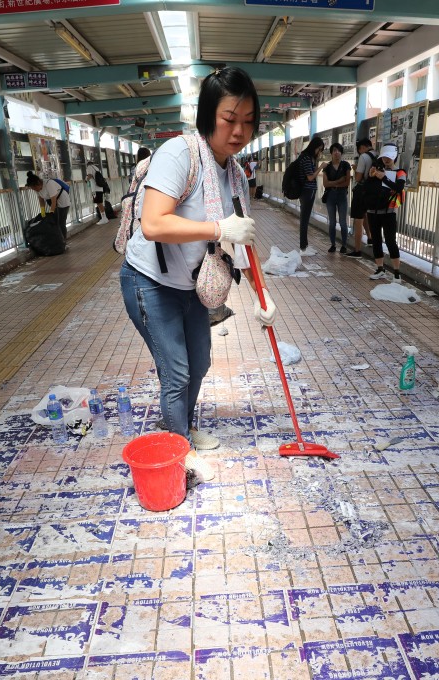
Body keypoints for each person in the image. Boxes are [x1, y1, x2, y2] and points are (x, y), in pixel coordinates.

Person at [121, 66, 276, 481]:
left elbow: (244, 236)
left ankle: (181, 428)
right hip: (149, 281)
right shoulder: (180, 154)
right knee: (176, 370)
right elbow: (154, 224)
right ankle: (177, 451)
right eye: (229, 119)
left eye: (248, 121)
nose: (239, 131)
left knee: (201, 361)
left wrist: (265, 298)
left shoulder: (236, 174)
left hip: (189, 285)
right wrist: (217, 229)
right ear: (208, 117)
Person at [365, 143, 406, 281]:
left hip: (389, 212)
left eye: (389, 157)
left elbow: (399, 187)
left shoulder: (400, 172)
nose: (386, 160)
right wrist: (371, 177)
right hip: (373, 211)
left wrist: (383, 177)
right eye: (384, 157)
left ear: (394, 156)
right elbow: (368, 188)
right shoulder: (377, 170)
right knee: (376, 240)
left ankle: (396, 273)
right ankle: (380, 269)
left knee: (390, 241)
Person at [297, 137, 326, 256]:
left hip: (305, 191)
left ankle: (305, 245)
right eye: (320, 149)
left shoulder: (305, 157)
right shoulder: (307, 159)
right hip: (307, 191)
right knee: (304, 219)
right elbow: (310, 177)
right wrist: (321, 167)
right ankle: (303, 247)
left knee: (305, 218)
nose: (320, 152)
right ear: (316, 147)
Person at [347, 138, 374, 258]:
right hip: (372, 192)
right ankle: (370, 238)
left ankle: (357, 250)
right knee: (365, 214)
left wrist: (356, 168)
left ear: (362, 147)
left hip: (361, 191)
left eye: (359, 149)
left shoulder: (364, 157)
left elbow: (358, 178)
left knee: (358, 220)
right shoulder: (377, 154)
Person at [25, 170, 71, 240]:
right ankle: (57, 240)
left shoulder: (49, 184)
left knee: (61, 222)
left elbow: (54, 200)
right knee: (54, 222)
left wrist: (51, 212)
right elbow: (41, 200)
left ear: (38, 183)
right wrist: (43, 212)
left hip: (63, 201)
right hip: (54, 203)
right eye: (32, 189)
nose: (34, 190)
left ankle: (63, 242)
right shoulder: (38, 189)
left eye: (34, 188)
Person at [322, 142, 351, 253]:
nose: (337, 153)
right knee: (332, 222)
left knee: (343, 222)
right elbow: (325, 184)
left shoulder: (346, 165)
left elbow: (347, 182)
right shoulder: (327, 167)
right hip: (330, 196)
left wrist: (332, 183)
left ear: (341, 153)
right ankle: (333, 244)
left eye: (339, 150)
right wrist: (339, 181)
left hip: (342, 195)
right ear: (331, 153)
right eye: (334, 150)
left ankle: (344, 245)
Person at [86, 159, 108, 224]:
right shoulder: (96, 168)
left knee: (99, 203)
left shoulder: (89, 167)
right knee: (99, 202)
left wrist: (86, 180)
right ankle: (104, 218)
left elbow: (89, 175)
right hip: (100, 187)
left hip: (95, 188)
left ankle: (104, 218)